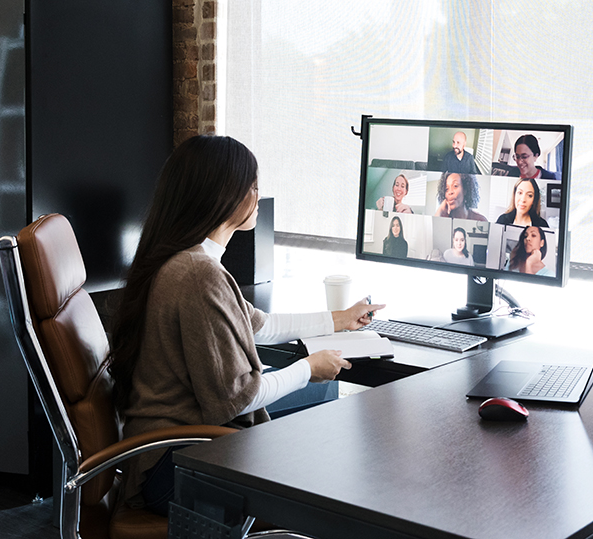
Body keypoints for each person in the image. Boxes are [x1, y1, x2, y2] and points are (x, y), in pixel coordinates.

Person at [107, 135, 385, 517]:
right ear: (222, 196)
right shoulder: (197, 275)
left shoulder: (192, 260)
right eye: (252, 187)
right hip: (175, 464)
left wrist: (341, 319)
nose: (258, 196)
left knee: (323, 396)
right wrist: (308, 367)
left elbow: (260, 325)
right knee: (328, 421)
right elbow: (236, 398)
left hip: (175, 446)